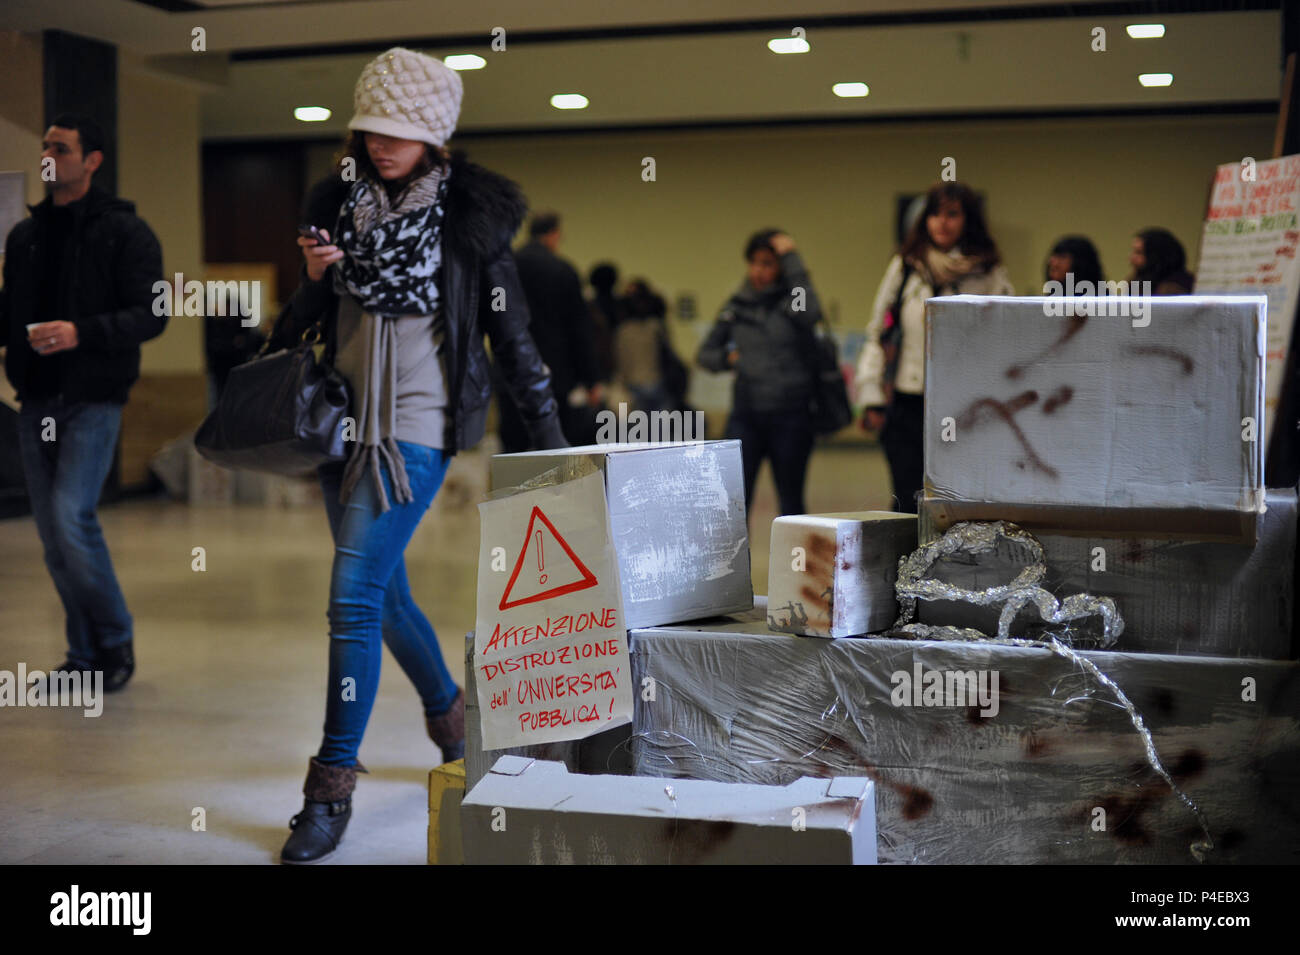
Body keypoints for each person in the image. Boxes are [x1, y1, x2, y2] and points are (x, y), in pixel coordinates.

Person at [265, 48, 567, 865]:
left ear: (434, 136)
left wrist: (556, 449)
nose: (381, 143)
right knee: (388, 593)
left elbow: (513, 337)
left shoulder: (472, 222)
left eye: (399, 131)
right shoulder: (337, 204)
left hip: (419, 432)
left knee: (354, 595)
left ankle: (329, 788)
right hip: (341, 427)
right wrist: (314, 278)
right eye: (371, 128)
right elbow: (296, 327)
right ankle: (455, 719)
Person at [0, 112, 166, 693]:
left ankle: (114, 639)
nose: (49, 156)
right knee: (52, 537)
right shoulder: (26, 236)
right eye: (45, 147)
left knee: (72, 518)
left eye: (61, 148)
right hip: (36, 398)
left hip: (94, 397)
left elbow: (152, 314)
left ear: (92, 160)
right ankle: (83, 655)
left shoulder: (126, 232)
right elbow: (9, 314)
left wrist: (81, 332)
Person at [855, 182, 1013, 513]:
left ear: (968, 220)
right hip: (908, 403)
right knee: (907, 499)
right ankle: (905, 565)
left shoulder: (988, 272)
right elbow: (877, 332)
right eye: (935, 215)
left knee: (958, 499)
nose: (942, 223)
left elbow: (1007, 338)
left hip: (966, 406)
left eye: (952, 215)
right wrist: (871, 396)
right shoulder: (906, 266)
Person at [697, 229, 822, 517]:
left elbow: (811, 312)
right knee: (734, 503)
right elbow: (705, 354)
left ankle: (796, 563)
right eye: (754, 262)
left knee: (791, 503)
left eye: (768, 263)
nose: (759, 271)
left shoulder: (794, 303)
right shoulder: (737, 305)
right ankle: (735, 563)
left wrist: (793, 260)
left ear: (781, 268)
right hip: (746, 417)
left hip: (791, 416)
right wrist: (729, 360)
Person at [504, 212, 605, 448]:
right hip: (554, 372)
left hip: (510, 369)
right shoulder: (562, 270)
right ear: (554, 235)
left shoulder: (505, 266)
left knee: (513, 448)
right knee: (553, 449)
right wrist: (591, 379)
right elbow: (579, 329)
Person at [615, 278, 685, 414]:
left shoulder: (625, 331)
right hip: (656, 381)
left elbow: (621, 360)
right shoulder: (656, 327)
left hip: (636, 383)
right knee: (659, 428)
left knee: (639, 431)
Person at [1129, 227, 1194, 294]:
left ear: (1156, 256)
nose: (1131, 258)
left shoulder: (1173, 288)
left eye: (1139, 253)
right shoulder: (1139, 281)